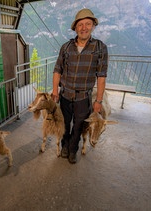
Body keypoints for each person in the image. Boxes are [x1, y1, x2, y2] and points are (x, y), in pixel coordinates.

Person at [51, 8, 108, 164]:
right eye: (80, 24)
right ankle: (65, 146)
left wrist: (99, 101)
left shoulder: (100, 48)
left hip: (83, 97)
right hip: (65, 95)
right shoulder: (66, 47)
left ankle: (73, 150)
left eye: (88, 24)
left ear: (93, 26)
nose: (84, 28)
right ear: (75, 28)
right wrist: (55, 90)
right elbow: (57, 70)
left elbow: (101, 76)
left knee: (78, 126)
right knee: (64, 123)